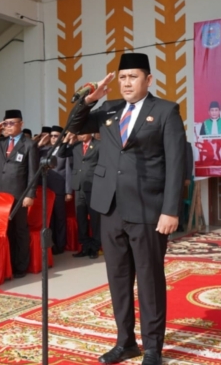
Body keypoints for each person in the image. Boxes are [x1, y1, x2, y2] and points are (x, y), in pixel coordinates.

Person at [68, 52, 186, 365]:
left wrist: (171, 210)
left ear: (149, 79)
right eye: (122, 77)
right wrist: (88, 100)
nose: (127, 83)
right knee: (118, 278)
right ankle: (125, 342)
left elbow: (177, 163)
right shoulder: (109, 109)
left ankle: (152, 348)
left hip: (148, 208)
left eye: (133, 77)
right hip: (110, 208)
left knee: (149, 279)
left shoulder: (165, 110)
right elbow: (74, 124)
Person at [0, 109, 38, 279]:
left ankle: (20, 266)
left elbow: (33, 172)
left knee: (19, 230)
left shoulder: (29, 144)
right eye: (6, 123)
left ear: (21, 124)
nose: (8, 126)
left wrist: (30, 194)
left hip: (18, 195)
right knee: (3, 230)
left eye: (12, 123)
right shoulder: (1, 142)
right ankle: (7, 264)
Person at [59, 132, 101, 259]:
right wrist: (66, 140)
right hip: (78, 187)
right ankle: (85, 246)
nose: (80, 136)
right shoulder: (76, 146)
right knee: (81, 218)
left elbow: (104, 163)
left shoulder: (98, 145)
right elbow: (61, 153)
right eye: (79, 134)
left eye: (83, 133)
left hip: (93, 186)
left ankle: (95, 247)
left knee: (95, 219)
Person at [39, 125, 70, 254]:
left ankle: (60, 245)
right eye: (51, 136)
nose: (53, 138)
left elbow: (68, 171)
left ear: (62, 138)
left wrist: (68, 191)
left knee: (59, 218)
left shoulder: (65, 151)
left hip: (59, 190)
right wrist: (40, 144)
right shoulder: (43, 150)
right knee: (48, 219)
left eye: (56, 136)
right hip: (45, 190)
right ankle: (50, 245)